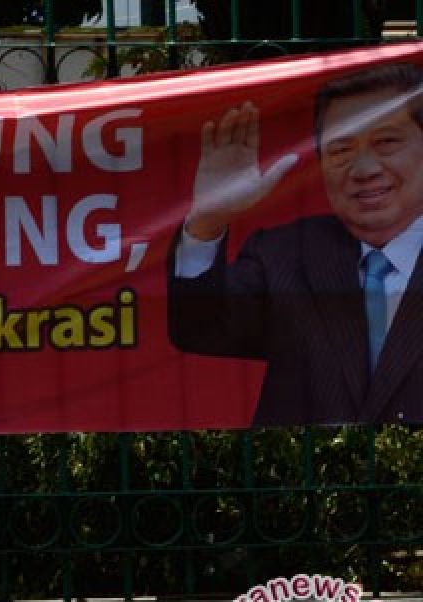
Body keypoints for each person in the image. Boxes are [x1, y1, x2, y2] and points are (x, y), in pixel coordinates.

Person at [168, 62, 423, 426]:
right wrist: (208, 220)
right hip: (305, 481)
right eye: (341, 151)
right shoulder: (285, 254)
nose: (364, 169)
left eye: (386, 142)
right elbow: (200, 329)